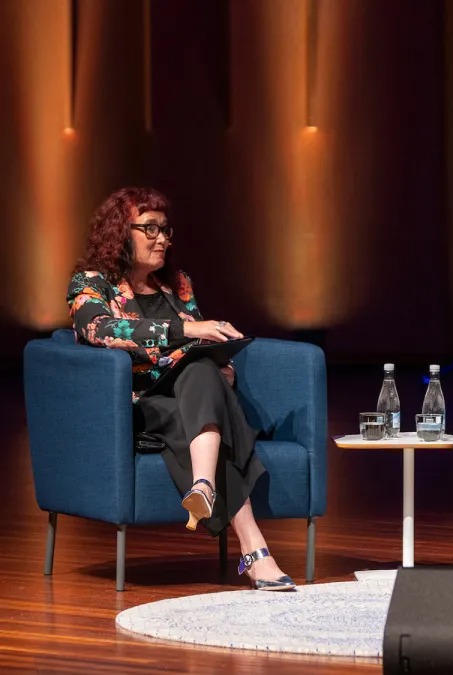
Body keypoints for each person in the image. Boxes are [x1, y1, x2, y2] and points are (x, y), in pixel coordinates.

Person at [67, 187, 295, 591]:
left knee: (203, 372)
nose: (162, 239)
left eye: (165, 230)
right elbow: (98, 330)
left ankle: (206, 490)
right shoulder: (91, 283)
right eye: (149, 228)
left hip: (189, 398)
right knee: (201, 389)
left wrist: (227, 368)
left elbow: (200, 349)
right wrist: (187, 330)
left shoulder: (178, 285)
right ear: (120, 232)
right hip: (138, 406)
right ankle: (251, 548)